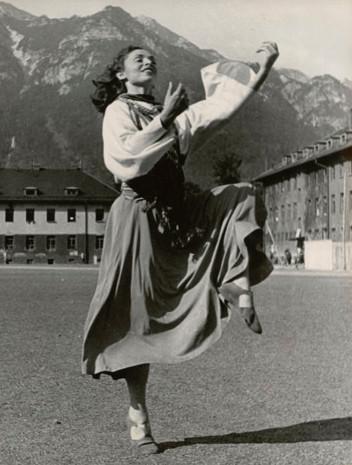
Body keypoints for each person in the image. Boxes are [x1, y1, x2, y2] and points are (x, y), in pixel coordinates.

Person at [82, 41, 279, 455]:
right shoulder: (119, 111)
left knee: (241, 195)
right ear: (121, 73)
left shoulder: (167, 113)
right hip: (136, 220)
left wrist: (261, 68)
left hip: (177, 213)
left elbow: (219, 107)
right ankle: (138, 415)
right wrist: (165, 119)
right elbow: (125, 159)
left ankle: (236, 283)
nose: (147, 60)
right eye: (137, 59)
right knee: (138, 319)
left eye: (150, 57)